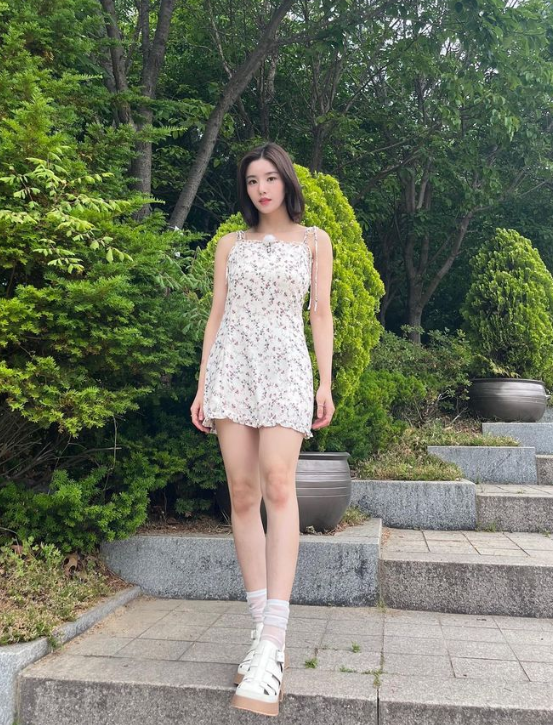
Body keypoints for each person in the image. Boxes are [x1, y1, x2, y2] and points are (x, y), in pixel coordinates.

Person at [190, 141, 334, 717]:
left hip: (286, 367)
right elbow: (217, 314)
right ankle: (259, 633)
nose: (262, 189)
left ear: (286, 181)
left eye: (270, 178)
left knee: (279, 483)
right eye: (252, 181)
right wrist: (202, 384)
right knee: (243, 492)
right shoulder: (230, 244)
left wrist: (326, 381)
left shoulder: (316, 240)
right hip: (232, 367)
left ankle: (275, 639)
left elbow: (320, 312)